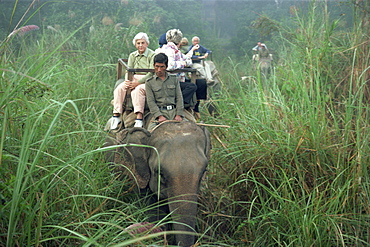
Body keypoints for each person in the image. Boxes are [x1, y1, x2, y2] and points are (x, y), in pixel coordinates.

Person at [110, 32, 155, 129]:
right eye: (138, 43)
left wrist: (137, 83)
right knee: (120, 88)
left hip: (146, 79)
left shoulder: (152, 55)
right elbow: (128, 70)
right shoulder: (132, 55)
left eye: (143, 43)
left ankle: (139, 118)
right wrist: (128, 80)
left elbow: (151, 73)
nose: (140, 45)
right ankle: (116, 115)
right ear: (135, 44)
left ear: (147, 44)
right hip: (133, 77)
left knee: (137, 91)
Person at [155, 29, 199, 106]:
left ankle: (194, 107)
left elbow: (188, 60)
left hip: (176, 78)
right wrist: (182, 63)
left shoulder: (176, 51)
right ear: (179, 40)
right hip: (169, 79)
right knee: (192, 86)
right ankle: (177, 103)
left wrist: (184, 62)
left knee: (200, 83)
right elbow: (170, 66)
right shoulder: (169, 50)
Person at [145, 53, 184, 130]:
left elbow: (179, 97)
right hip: (160, 112)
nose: (159, 70)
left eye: (162, 67)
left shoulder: (174, 79)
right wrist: (159, 116)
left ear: (166, 67)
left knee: (190, 128)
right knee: (150, 133)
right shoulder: (149, 82)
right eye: (157, 66)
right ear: (154, 66)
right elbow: (151, 102)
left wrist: (179, 114)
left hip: (174, 111)